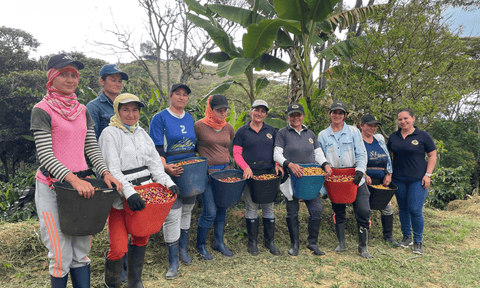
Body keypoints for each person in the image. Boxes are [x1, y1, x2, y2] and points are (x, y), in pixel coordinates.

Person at [30, 54, 122, 288]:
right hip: (54, 187)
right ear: (51, 77)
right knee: (60, 256)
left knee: (81, 252)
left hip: (82, 189)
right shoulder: (41, 110)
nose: (70, 79)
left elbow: (91, 147)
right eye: (64, 74)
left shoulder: (82, 110)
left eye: (74, 75)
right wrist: (71, 179)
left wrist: (105, 174)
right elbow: (45, 155)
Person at [98, 93, 180, 287]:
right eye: (125, 109)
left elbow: (154, 164)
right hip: (121, 195)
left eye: (135, 110)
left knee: (141, 238)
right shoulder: (110, 133)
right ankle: (113, 282)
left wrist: (168, 183)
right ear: (117, 110)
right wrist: (129, 192)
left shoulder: (142, 133)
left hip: (145, 193)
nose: (131, 114)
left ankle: (135, 281)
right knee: (118, 247)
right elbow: (113, 169)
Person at [149, 83, 196, 279]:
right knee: (173, 213)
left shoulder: (190, 117)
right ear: (170, 96)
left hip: (191, 170)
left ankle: (183, 250)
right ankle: (172, 260)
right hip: (170, 170)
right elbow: (156, 148)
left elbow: (194, 146)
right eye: (178, 94)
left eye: (185, 95)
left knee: (187, 209)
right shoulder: (160, 118)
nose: (182, 97)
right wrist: (165, 168)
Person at [273, 103, 332, 257]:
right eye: (292, 115)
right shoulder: (282, 133)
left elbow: (318, 154)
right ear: (288, 117)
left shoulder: (310, 134)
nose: (295, 118)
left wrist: (325, 164)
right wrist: (290, 165)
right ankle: (295, 245)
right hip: (291, 177)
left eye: (298, 114)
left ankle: (312, 243)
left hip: (310, 178)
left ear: (303, 116)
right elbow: (277, 154)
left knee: (316, 210)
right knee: (292, 211)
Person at [317, 100, 372, 259]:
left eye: (341, 113)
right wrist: (323, 187)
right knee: (338, 210)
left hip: (355, 176)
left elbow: (362, 153)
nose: (337, 115)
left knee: (363, 210)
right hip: (334, 178)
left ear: (345, 115)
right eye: (334, 112)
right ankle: (341, 242)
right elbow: (319, 158)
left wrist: (360, 171)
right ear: (330, 114)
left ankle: (363, 246)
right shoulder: (323, 135)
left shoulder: (354, 132)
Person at [233, 100, 284, 256]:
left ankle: (270, 242)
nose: (259, 113)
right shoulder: (242, 131)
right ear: (251, 111)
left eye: (263, 111)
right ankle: (253, 243)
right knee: (251, 207)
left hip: (269, 173)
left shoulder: (271, 131)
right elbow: (236, 153)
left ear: (266, 114)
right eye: (257, 110)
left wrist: (277, 164)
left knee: (268, 207)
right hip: (251, 174)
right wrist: (246, 168)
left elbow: (277, 151)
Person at [387, 109, 437, 255]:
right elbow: (388, 155)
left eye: (406, 118)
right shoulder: (393, 137)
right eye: (400, 119)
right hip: (399, 178)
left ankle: (418, 241)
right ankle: (407, 237)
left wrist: (428, 175)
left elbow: (432, 155)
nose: (403, 122)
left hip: (418, 179)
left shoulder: (423, 136)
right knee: (403, 208)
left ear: (413, 118)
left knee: (415, 209)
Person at [195, 94, 235, 260]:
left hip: (225, 173)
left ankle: (218, 242)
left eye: (225, 109)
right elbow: (192, 148)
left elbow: (229, 148)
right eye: (219, 110)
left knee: (222, 209)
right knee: (210, 211)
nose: (223, 113)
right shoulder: (198, 126)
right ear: (210, 109)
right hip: (209, 174)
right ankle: (200, 246)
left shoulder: (229, 127)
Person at [360, 114, 399, 247]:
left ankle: (388, 236)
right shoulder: (357, 141)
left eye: (375, 126)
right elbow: (355, 160)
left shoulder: (379, 139)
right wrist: (364, 174)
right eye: (369, 125)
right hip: (364, 180)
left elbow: (387, 157)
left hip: (381, 181)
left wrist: (389, 173)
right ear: (361, 126)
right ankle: (364, 237)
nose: (372, 128)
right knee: (365, 208)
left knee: (386, 207)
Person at [86, 64, 129, 139]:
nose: (118, 84)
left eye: (120, 81)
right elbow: (92, 139)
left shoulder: (126, 105)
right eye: (113, 80)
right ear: (102, 81)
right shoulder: (93, 107)